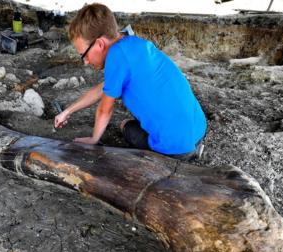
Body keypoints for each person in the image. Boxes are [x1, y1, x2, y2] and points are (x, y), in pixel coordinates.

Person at [54, 3, 207, 160]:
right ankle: (192, 149)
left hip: (176, 149)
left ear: (100, 44)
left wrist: (93, 139)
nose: (85, 61)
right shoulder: (133, 43)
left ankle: (178, 156)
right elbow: (103, 88)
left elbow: (104, 111)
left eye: (84, 54)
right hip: (198, 131)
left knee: (125, 125)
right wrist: (67, 111)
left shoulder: (115, 57)